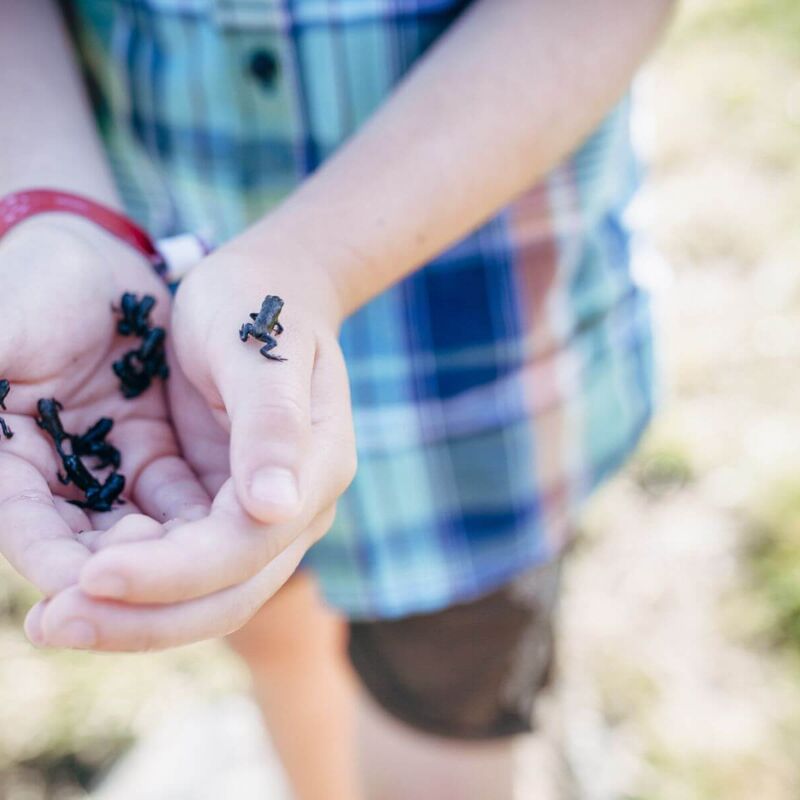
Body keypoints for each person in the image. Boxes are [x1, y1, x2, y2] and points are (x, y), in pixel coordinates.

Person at [0, 1, 673, 798]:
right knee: (270, 624)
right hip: (185, 371)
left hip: (481, 379)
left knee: (452, 705)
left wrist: (311, 259)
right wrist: (54, 215)